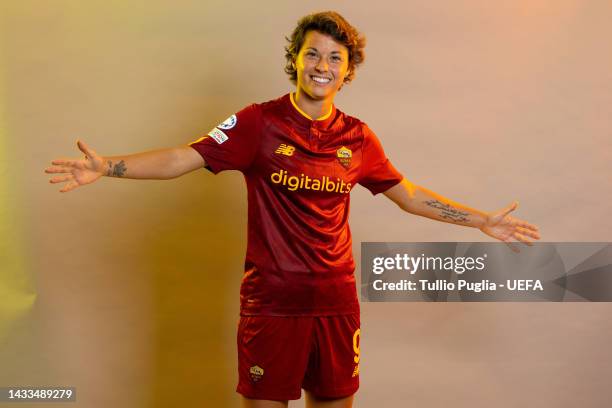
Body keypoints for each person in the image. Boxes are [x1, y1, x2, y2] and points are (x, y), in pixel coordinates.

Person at [45, 10, 540, 408]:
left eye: (334, 58)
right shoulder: (257, 123)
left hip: (336, 303)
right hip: (272, 306)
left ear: (348, 71)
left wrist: (481, 220)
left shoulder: (358, 137)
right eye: (312, 54)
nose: (322, 65)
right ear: (295, 61)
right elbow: (183, 157)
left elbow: (406, 194)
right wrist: (107, 166)